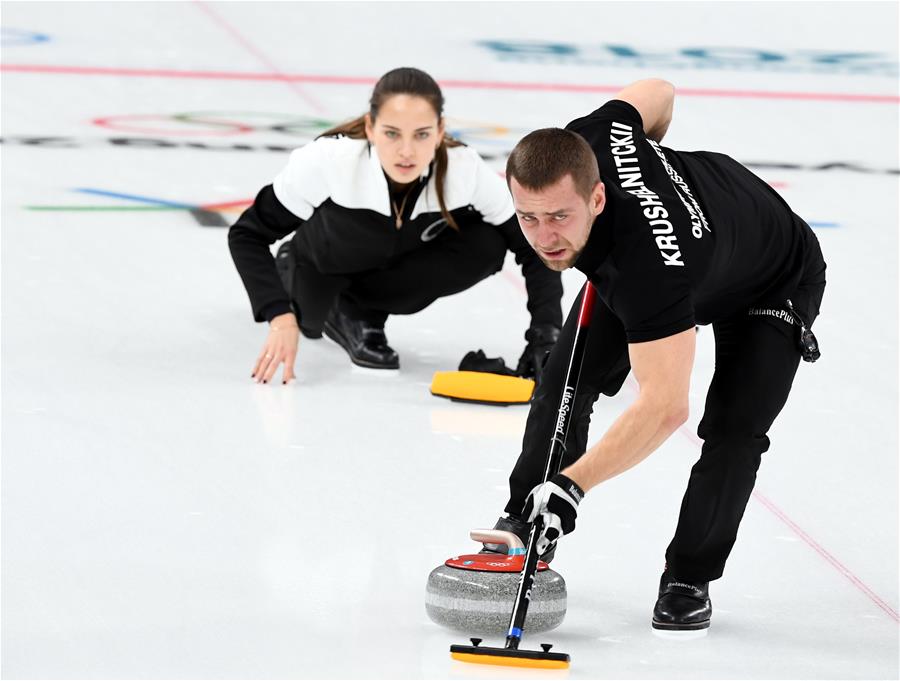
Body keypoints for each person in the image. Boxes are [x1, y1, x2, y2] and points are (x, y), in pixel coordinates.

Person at [480, 78, 826, 631]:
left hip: (772, 274)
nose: (544, 238)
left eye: (560, 218)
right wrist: (652, 164)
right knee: (565, 378)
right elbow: (658, 91)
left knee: (734, 430)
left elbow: (665, 406)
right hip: (691, 246)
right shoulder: (593, 136)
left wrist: (573, 486)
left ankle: (689, 575)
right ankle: (525, 521)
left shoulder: (650, 270)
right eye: (529, 218)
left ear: (596, 198)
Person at [228, 67, 562, 382]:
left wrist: (547, 334)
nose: (406, 151)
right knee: (310, 318)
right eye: (391, 133)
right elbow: (247, 234)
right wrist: (280, 317)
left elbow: (533, 247)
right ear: (371, 128)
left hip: (385, 274)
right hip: (321, 265)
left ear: (440, 131)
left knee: (486, 244)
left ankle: (361, 311)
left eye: (421, 135)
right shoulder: (329, 162)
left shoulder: (463, 170)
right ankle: (309, 285)